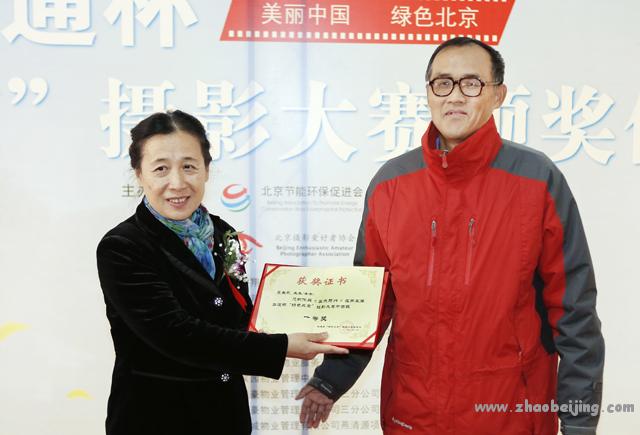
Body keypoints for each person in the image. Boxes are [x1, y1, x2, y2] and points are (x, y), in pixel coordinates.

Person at [296, 37, 605, 434]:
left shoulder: (536, 180)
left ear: (498, 95)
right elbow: (370, 300)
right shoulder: (391, 185)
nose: (455, 96)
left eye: (471, 83)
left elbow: (574, 311)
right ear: (428, 93)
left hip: (510, 415)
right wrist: (331, 380)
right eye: (442, 83)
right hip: (414, 413)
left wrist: (579, 424)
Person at [96, 110, 348, 435]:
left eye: (189, 166)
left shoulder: (224, 234)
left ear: (206, 170)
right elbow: (176, 334)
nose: (177, 182)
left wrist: (314, 314)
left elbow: (239, 316)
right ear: (139, 174)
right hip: (156, 419)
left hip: (226, 416)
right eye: (161, 168)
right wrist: (281, 346)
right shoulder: (123, 246)